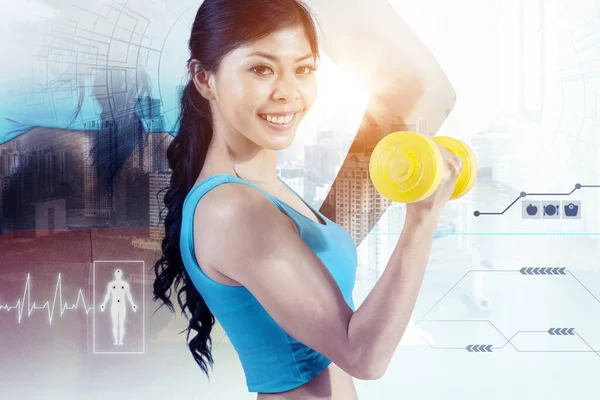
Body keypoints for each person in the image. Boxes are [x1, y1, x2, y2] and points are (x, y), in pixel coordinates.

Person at [152, 0, 462, 399]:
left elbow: (423, 93)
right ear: (204, 78)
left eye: (303, 69)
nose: (288, 93)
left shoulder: (267, 195)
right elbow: (364, 357)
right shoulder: (234, 209)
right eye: (261, 69)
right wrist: (422, 219)